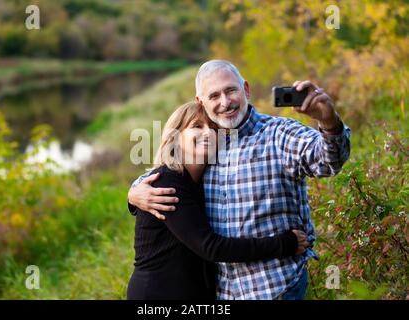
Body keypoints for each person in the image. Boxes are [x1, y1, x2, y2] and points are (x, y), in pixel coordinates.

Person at [128, 60, 351, 300]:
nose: (225, 102)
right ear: (200, 102)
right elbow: (165, 175)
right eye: (214, 95)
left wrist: (329, 122)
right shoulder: (211, 144)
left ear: (245, 89)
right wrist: (133, 194)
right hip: (225, 293)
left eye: (230, 90)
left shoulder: (278, 133)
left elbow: (327, 161)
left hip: (274, 288)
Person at [127, 101, 310, 300]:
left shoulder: (204, 181)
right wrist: (284, 244)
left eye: (213, 128)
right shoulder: (167, 182)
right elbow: (211, 247)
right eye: (197, 126)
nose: (207, 133)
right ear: (175, 137)